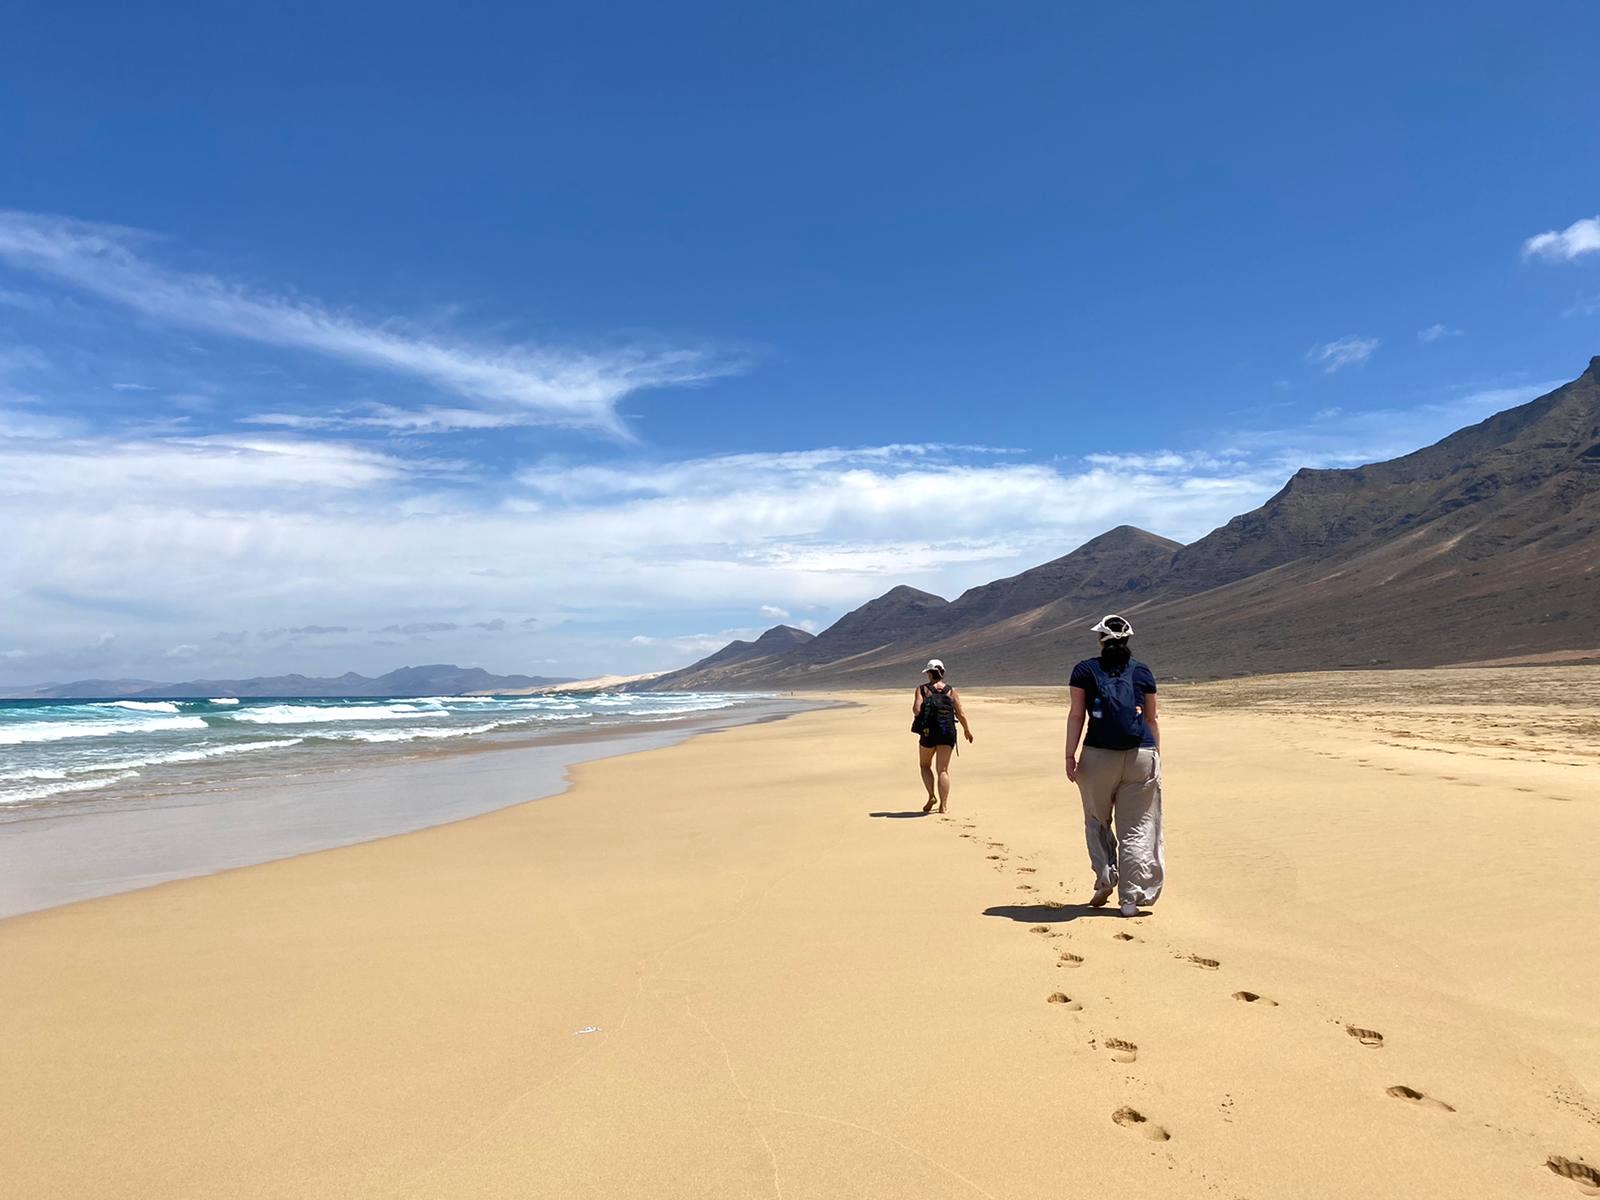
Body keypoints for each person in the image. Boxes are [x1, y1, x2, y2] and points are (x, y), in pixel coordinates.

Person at [1063, 615, 1163, 917]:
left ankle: (1105, 876)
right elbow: (1151, 719)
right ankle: (1131, 899)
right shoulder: (1142, 672)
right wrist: (1156, 755)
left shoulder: (1084, 670)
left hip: (1097, 756)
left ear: (1100, 640)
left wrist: (1070, 755)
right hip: (1141, 755)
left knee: (1097, 820)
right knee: (1136, 828)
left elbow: (1077, 716)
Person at [912, 658, 973, 813]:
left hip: (928, 732)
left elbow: (916, 710)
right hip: (947, 732)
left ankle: (932, 795)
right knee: (943, 770)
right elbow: (960, 713)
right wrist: (967, 730)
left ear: (928, 673)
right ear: (942, 672)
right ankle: (943, 806)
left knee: (925, 765)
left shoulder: (922, 689)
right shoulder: (951, 691)